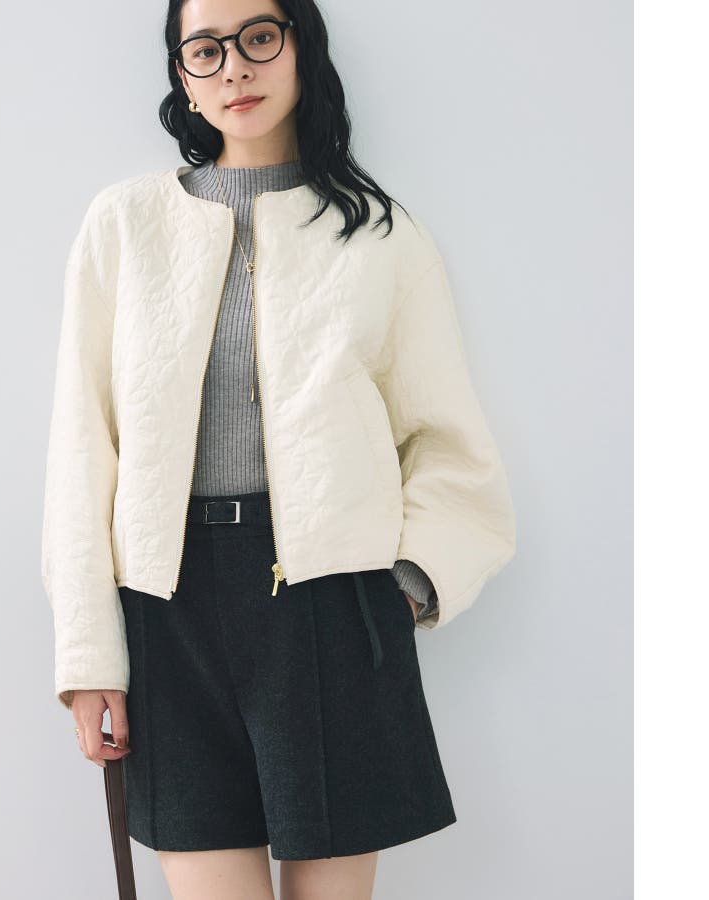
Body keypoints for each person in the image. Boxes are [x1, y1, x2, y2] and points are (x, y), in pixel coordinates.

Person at [41, 1, 517, 897]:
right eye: (205, 49)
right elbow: (81, 452)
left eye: (259, 37)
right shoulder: (124, 225)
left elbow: (453, 452)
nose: (234, 67)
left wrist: (401, 589)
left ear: (301, 45)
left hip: (330, 609)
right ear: (183, 76)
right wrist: (89, 655)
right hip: (166, 612)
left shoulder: (380, 236)